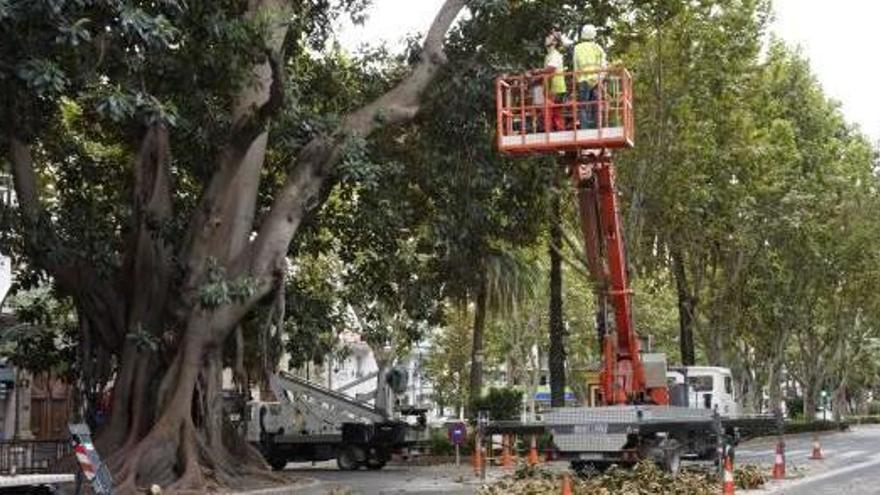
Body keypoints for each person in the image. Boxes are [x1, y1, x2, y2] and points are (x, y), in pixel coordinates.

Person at [573, 24, 607, 129]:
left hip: (583, 80)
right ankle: (597, 128)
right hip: (596, 80)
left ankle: (585, 128)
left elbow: (576, 66)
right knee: (596, 105)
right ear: (594, 34)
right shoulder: (598, 48)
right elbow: (604, 66)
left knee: (583, 106)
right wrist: (600, 79)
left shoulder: (577, 48)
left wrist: (577, 79)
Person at [543, 28, 568, 131]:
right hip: (551, 89)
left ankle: (551, 135)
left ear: (554, 42)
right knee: (554, 114)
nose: (546, 38)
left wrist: (535, 72)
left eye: (549, 37)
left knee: (550, 114)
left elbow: (550, 69)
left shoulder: (555, 55)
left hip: (556, 89)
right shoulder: (548, 56)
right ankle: (556, 134)